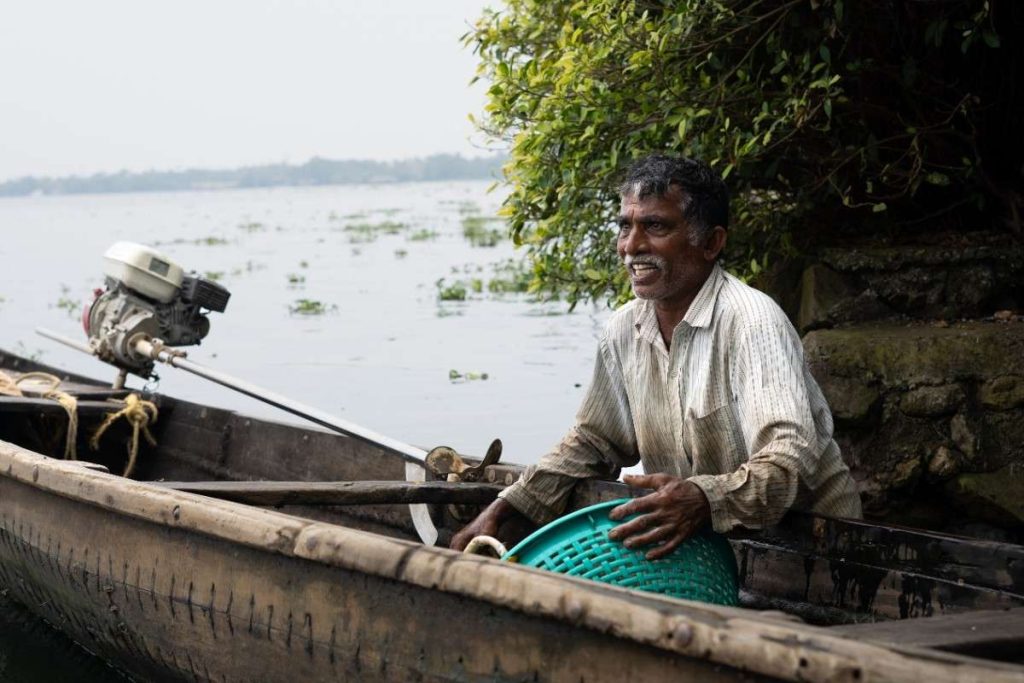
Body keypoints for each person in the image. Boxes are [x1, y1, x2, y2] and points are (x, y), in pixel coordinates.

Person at [451, 154, 862, 558]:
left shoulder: (752, 321)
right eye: (625, 227)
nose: (631, 246)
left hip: (819, 548)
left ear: (711, 243)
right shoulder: (623, 330)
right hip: (708, 547)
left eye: (655, 226)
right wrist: (508, 505)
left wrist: (704, 496)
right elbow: (594, 442)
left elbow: (789, 456)